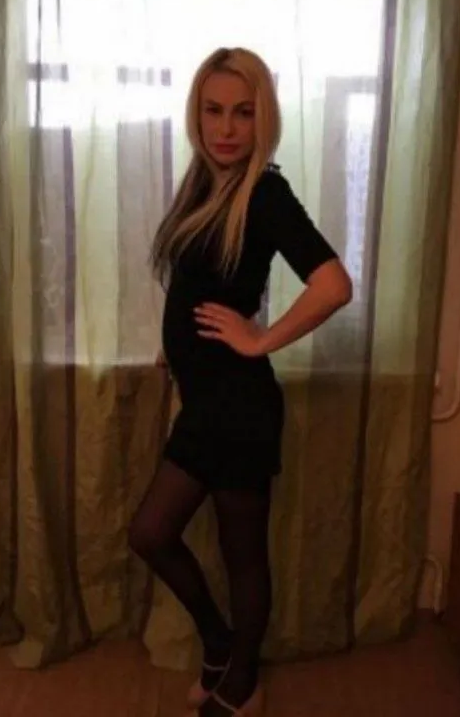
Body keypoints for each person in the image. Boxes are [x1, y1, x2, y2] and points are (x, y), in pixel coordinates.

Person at [128, 47, 352, 717]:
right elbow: (200, 282)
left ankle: (242, 678)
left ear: (264, 119)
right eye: (214, 110)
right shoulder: (205, 183)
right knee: (151, 535)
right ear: (197, 115)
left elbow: (334, 285)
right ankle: (221, 644)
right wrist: (176, 346)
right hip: (207, 402)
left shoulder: (264, 192)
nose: (226, 128)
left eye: (243, 113)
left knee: (241, 553)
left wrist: (260, 338)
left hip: (240, 406)